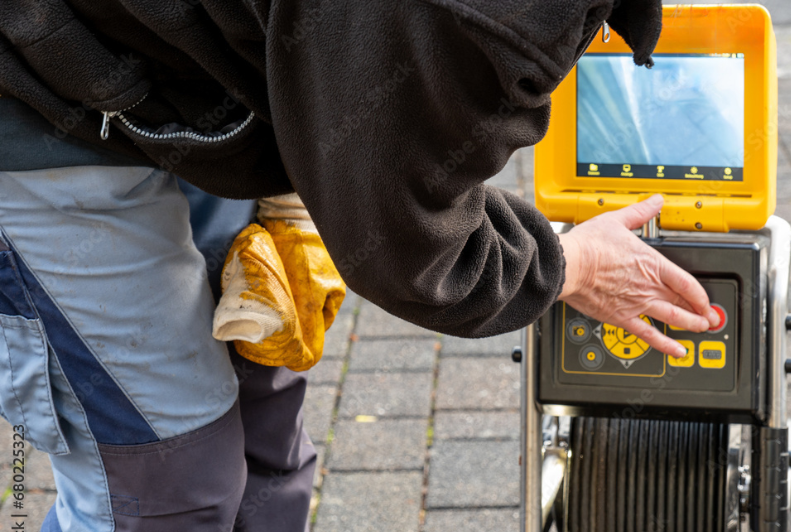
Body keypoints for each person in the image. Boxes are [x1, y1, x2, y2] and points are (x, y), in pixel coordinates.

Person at [0, 0, 718, 530]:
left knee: (263, 413)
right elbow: (408, 242)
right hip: (36, 90)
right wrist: (569, 264)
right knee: (169, 492)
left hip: (178, 74)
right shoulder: (477, 14)